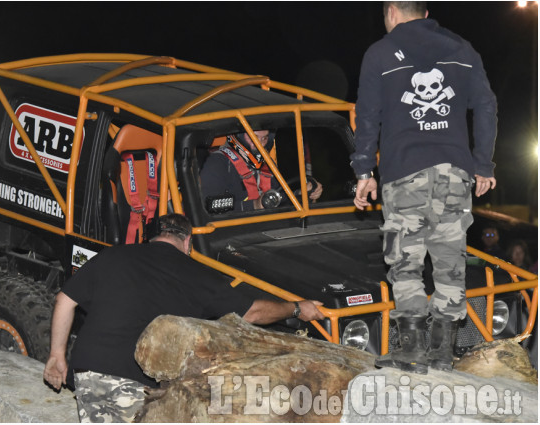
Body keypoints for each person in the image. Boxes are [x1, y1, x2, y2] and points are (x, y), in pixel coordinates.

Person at [43, 213, 324, 422]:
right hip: (134, 380)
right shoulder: (196, 273)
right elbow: (254, 312)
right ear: (188, 241)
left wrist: (57, 354)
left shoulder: (112, 256)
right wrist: (297, 308)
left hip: (89, 368)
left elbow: (64, 300)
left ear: (151, 237)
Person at [350, 2, 497, 374]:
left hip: (403, 174)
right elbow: (486, 106)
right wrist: (483, 164)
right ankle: (443, 352)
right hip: (454, 173)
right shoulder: (463, 50)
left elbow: (367, 115)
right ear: (426, 14)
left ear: (393, 12)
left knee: (405, 261)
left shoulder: (380, 53)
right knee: (450, 262)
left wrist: (364, 170)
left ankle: (412, 349)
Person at [200, 130, 323, 212]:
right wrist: (255, 205)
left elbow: (280, 200)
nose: (259, 144)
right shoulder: (217, 162)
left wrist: (303, 195)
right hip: (231, 235)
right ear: (240, 135)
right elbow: (208, 208)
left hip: (265, 232)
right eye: (253, 137)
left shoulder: (268, 164)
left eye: (264, 138)